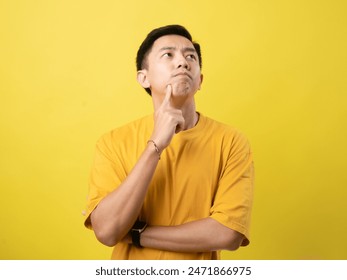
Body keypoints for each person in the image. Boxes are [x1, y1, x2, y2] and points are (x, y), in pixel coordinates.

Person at [83, 24, 254, 260]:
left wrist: (136, 234)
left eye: (190, 56)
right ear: (144, 78)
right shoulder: (112, 142)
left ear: (200, 80)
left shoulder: (231, 142)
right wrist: (156, 145)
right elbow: (108, 231)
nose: (183, 62)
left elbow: (227, 233)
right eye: (168, 55)